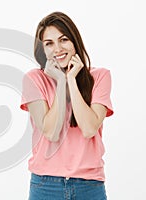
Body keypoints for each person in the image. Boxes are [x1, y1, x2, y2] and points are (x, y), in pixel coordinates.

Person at [20, 11, 113, 200]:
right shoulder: (33, 79)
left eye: (63, 40)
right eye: (49, 44)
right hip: (45, 185)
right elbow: (52, 132)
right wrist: (60, 82)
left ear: (74, 41)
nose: (57, 49)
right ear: (42, 50)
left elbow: (88, 128)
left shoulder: (100, 76)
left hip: (89, 185)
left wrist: (72, 79)